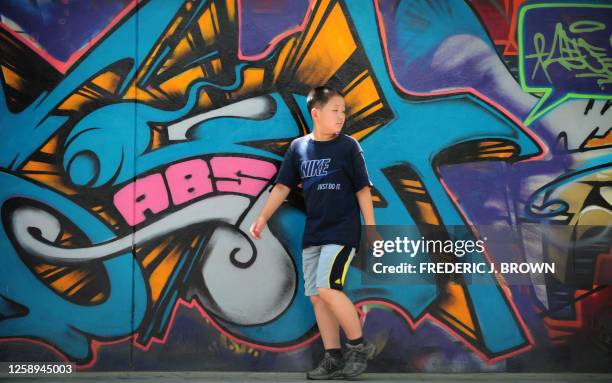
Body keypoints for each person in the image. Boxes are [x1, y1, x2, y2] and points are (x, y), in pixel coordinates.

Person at [249, 86, 377, 379]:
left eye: (343, 110)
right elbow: (282, 186)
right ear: (316, 113)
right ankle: (333, 357)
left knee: (328, 288)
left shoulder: (348, 146)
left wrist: (370, 228)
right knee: (317, 297)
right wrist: (262, 217)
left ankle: (359, 346)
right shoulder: (299, 148)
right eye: (335, 110)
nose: (341, 116)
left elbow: (362, 189)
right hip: (314, 232)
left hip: (342, 231)